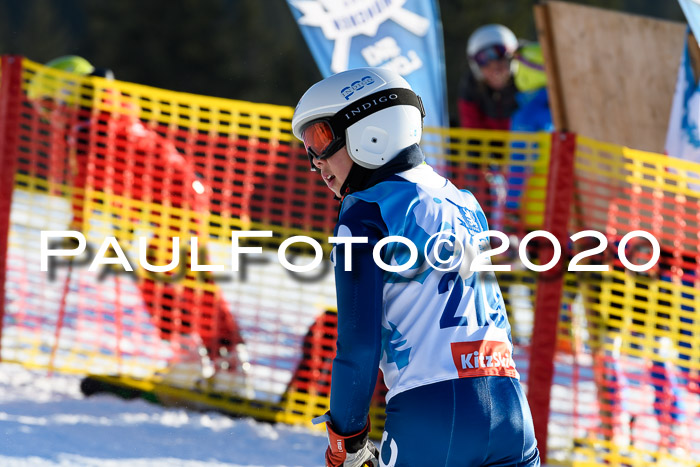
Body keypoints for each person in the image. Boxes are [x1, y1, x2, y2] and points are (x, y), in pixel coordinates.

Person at [292, 67, 539, 467]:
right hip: (511, 406)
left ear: (371, 129)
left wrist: (346, 436)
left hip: (433, 410)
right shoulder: (466, 202)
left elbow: (358, 345)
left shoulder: (365, 211)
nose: (315, 162)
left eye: (320, 139)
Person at [28, 56, 250, 389]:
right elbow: (113, 171)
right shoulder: (94, 122)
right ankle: (189, 354)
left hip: (177, 201)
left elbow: (88, 178)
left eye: (50, 106)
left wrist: (80, 224)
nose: (50, 117)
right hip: (159, 204)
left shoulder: (93, 125)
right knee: (156, 276)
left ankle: (226, 362)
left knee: (184, 276)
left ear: (69, 96)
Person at [458, 24, 519, 131]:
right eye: (486, 65)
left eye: (501, 63)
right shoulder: (472, 86)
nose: (495, 71)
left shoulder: (526, 86)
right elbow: (471, 126)